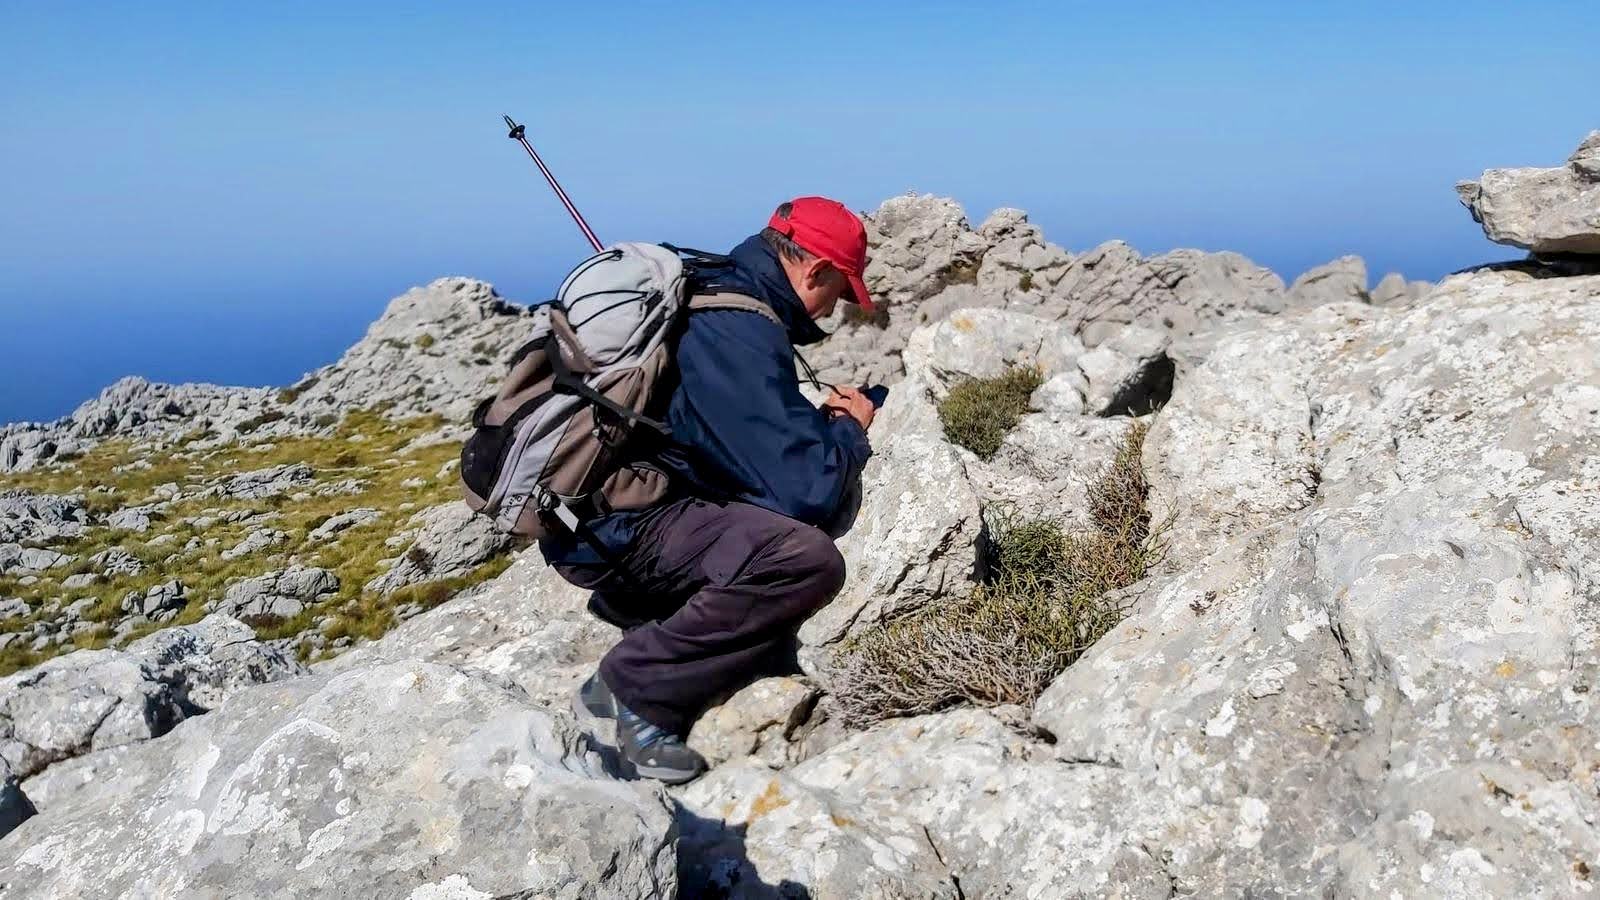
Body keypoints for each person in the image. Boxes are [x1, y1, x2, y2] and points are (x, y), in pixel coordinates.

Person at [541, 196, 878, 783]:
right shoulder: (737, 330)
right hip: (623, 527)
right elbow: (805, 494)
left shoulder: (717, 287)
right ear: (815, 271)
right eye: (839, 293)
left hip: (597, 513)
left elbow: (732, 435)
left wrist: (811, 431)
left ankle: (643, 607)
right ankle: (634, 691)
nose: (835, 311)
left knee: (760, 530)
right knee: (803, 560)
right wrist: (850, 433)